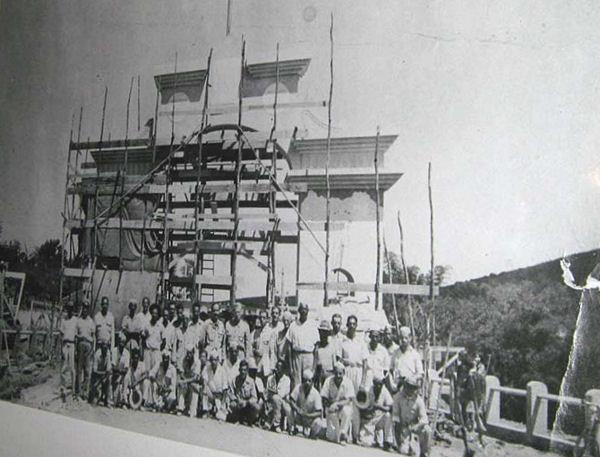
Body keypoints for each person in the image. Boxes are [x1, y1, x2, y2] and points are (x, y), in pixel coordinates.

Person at [392, 375, 431, 457]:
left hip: (415, 427)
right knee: (403, 451)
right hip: (403, 427)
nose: (411, 389)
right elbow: (395, 416)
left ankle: (424, 453)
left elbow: (424, 419)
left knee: (427, 429)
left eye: (413, 387)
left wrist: (416, 426)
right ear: (405, 386)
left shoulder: (419, 400)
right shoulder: (398, 397)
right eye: (409, 386)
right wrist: (398, 439)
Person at [356, 373, 394, 449]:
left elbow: (390, 407)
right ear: (373, 383)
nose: (379, 386)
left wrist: (379, 407)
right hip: (369, 419)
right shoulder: (368, 390)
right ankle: (374, 438)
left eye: (381, 384)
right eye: (377, 384)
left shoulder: (384, 391)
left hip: (380, 418)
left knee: (388, 415)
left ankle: (388, 441)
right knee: (366, 442)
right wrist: (369, 409)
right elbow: (361, 407)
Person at [286, 303, 319, 389]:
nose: (304, 311)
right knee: (296, 383)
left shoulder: (313, 325)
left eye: (305, 309)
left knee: (308, 382)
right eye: (302, 309)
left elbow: (316, 348)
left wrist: (314, 367)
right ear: (299, 311)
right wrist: (291, 366)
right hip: (296, 356)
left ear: (308, 311)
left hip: (309, 356)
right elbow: (289, 347)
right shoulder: (293, 325)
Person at [321, 362, 356, 443]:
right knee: (331, 438)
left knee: (347, 410)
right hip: (331, 408)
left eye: (340, 373)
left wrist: (337, 404)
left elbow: (349, 399)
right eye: (336, 373)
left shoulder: (348, 382)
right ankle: (337, 434)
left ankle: (343, 433)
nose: (338, 376)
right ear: (333, 373)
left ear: (344, 373)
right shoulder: (328, 381)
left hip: (343, 407)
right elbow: (324, 398)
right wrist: (331, 405)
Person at [288, 368, 326, 438]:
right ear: (302, 380)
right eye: (305, 380)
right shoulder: (298, 387)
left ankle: (311, 434)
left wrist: (307, 415)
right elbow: (291, 400)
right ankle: (293, 429)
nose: (307, 383)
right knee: (289, 410)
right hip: (299, 415)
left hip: (309, 418)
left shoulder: (316, 394)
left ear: (312, 382)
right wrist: (297, 409)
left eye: (309, 381)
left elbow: (319, 412)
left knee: (318, 422)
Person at [390, 326, 423, 392]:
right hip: (397, 389)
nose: (403, 340)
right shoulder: (395, 353)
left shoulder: (415, 354)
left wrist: (410, 379)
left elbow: (420, 374)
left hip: (410, 389)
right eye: (401, 338)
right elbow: (390, 370)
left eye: (405, 338)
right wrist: (392, 385)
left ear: (410, 338)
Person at [227, 359, 260, 425]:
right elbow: (230, 393)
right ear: (239, 370)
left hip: (247, 405)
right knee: (232, 405)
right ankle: (238, 419)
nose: (243, 372)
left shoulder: (251, 381)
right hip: (238, 404)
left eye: (244, 370)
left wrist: (247, 402)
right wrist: (236, 400)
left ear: (247, 371)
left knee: (256, 407)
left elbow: (255, 398)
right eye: (241, 370)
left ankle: (249, 420)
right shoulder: (235, 380)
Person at [264, 359, 291, 431]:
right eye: (277, 367)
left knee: (276, 398)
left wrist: (272, 392)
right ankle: (269, 422)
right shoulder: (270, 378)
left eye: (280, 368)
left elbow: (281, 394)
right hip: (271, 402)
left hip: (283, 402)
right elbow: (267, 392)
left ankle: (277, 424)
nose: (278, 369)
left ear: (283, 370)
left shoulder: (287, 380)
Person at [75, 302, 95, 399]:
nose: (85, 310)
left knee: (87, 370)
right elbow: (75, 336)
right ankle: (78, 392)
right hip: (80, 345)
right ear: (82, 309)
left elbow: (93, 336)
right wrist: (75, 350)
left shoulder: (91, 321)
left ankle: (85, 393)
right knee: (79, 370)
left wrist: (93, 349)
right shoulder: (78, 321)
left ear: (88, 309)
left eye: (87, 308)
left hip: (88, 345)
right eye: (84, 308)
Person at [201, 351, 229, 420]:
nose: (213, 362)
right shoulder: (207, 368)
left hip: (219, 396)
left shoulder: (222, 370)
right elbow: (204, 381)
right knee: (204, 389)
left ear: (218, 360)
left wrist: (222, 403)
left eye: (215, 360)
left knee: (220, 417)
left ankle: (216, 410)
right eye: (212, 360)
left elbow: (225, 388)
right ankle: (206, 411)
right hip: (210, 394)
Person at [59, 304, 77, 398]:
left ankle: (73, 389)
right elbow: (61, 335)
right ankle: (63, 387)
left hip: (72, 344)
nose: (70, 311)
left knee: (72, 367)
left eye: (71, 309)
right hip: (65, 344)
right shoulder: (63, 320)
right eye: (68, 309)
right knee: (64, 367)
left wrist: (76, 349)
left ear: (73, 310)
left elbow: (76, 335)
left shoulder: (75, 320)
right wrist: (61, 348)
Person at [177, 349, 202, 417]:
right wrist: (184, 381)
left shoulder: (197, 362)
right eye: (187, 353)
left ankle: (192, 410)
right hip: (186, 380)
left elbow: (195, 378)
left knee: (194, 387)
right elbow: (181, 373)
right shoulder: (184, 359)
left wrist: (185, 381)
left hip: (195, 383)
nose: (188, 355)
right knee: (182, 385)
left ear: (193, 353)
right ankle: (180, 408)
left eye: (190, 353)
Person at [314, 319, 337, 389]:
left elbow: (335, 364)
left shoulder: (332, 346)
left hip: (329, 375)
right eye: (321, 332)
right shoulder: (317, 346)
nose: (323, 334)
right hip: (319, 376)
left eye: (325, 332)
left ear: (328, 334)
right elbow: (314, 364)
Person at [90, 341, 112, 406]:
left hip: (104, 375)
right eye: (104, 348)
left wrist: (105, 376)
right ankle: (95, 396)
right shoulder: (97, 354)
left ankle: (106, 400)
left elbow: (108, 369)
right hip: (96, 376)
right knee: (94, 402)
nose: (105, 350)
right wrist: (103, 374)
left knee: (109, 379)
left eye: (106, 348)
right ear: (101, 348)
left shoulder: (108, 354)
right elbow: (94, 371)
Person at [111, 332, 131, 407]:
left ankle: (124, 398)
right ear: (118, 342)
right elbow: (113, 366)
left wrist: (120, 372)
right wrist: (119, 371)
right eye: (120, 342)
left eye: (123, 342)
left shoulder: (127, 353)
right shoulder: (114, 351)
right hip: (115, 374)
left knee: (127, 377)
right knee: (115, 399)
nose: (122, 344)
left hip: (122, 374)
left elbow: (126, 368)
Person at [250, 311, 272, 380]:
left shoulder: (270, 332)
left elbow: (272, 351)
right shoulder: (255, 332)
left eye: (264, 318)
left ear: (267, 319)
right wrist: (254, 351)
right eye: (260, 318)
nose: (262, 320)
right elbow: (250, 346)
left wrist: (272, 366)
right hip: (257, 363)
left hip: (267, 363)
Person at [144, 304, 164, 373]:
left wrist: (159, 350)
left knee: (155, 372)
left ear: (158, 315)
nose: (154, 315)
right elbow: (143, 339)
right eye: (153, 313)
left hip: (156, 352)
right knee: (147, 372)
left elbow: (164, 341)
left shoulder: (160, 326)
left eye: (156, 313)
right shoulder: (147, 325)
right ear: (150, 313)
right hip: (148, 351)